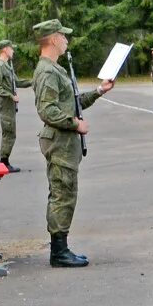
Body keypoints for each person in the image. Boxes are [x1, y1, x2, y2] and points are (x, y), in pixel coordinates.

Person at [31, 19, 114, 267]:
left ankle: (61, 248)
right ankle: (59, 252)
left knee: (64, 193)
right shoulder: (47, 71)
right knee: (62, 195)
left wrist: (99, 91)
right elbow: (47, 110)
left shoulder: (55, 69)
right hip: (60, 144)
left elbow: (72, 103)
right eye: (63, 36)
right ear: (54, 39)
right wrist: (75, 124)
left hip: (64, 145)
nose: (66, 40)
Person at [0, 40, 21, 173]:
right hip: (5, 103)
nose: (13, 51)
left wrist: (35, 81)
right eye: (11, 48)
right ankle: (4, 162)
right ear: (4, 50)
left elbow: (18, 82)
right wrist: (11, 96)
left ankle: (5, 161)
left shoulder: (7, 66)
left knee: (10, 133)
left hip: (9, 104)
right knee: (9, 133)